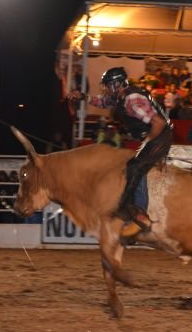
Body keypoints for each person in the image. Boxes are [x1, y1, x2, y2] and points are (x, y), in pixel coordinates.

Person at [69, 66, 173, 237]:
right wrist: (82, 97)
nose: (106, 89)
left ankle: (140, 215)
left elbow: (158, 122)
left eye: (109, 85)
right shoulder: (121, 97)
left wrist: (147, 143)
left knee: (134, 167)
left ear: (118, 84)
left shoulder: (132, 100)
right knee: (131, 165)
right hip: (156, 136)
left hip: (159, 136)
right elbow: (103, 102)